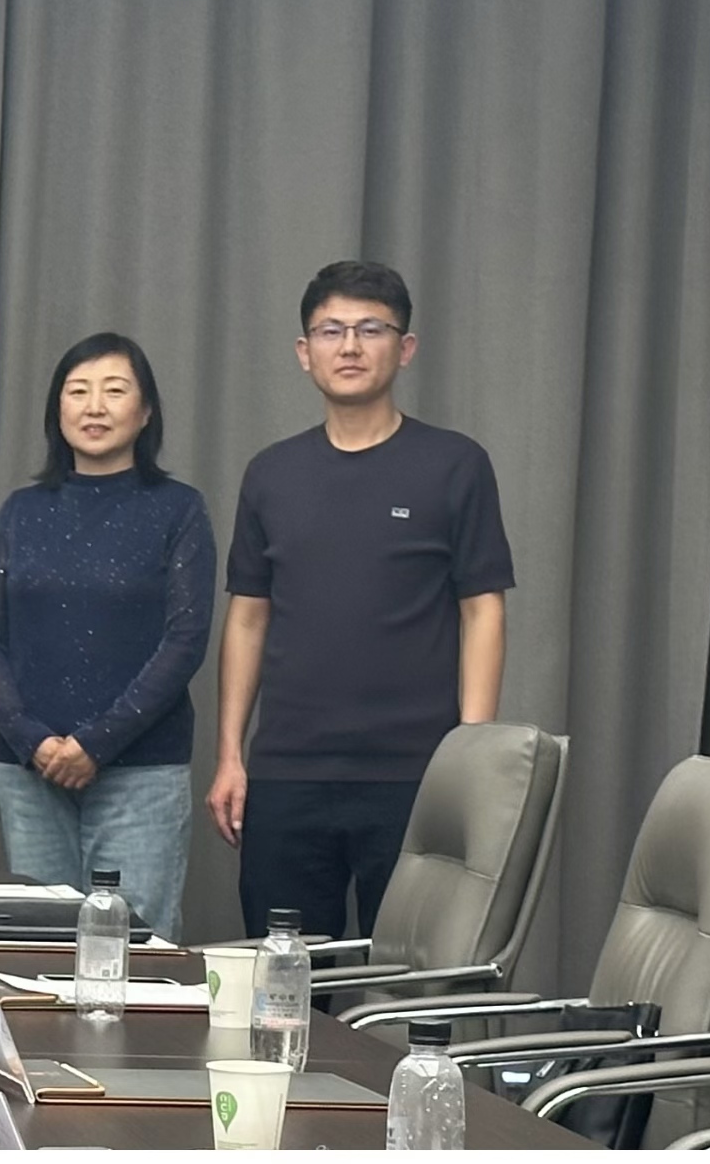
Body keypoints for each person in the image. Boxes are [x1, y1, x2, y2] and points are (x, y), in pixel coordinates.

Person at [208, 260, 514, 939]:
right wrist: (231, 754)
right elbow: (248, 618)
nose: (349, 346)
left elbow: (482, 609)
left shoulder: (455, 464)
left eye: (371, 329)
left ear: (405, 348)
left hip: (416, 772)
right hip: (287, 770)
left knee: (414, 977)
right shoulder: (271, 473)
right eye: (331, 330)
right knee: (285, 975)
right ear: (304, 352)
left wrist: (469, 756)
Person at [0, 332, 215, 938]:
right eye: (78, 391)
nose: (95, 407)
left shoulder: (178, 509)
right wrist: (33, 740)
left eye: (115, 390)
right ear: (57, 408)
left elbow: (185, 640)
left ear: (146, 410)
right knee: (39, 951)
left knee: (133, 949)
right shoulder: (21, 510)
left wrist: (96, 743)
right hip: (30, 770)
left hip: (141, 771)